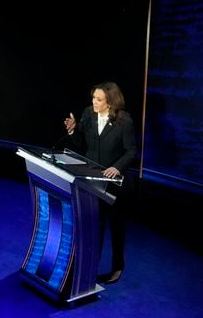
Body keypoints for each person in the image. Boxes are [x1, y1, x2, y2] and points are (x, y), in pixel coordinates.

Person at [62, 81, 137, 285]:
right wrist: (72, 131)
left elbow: (131, 151)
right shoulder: (88, 113)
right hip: (92, 181)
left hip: (115, 185)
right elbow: (80, 144)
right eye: (93, 98)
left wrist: (117, 167)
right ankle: (90, 266)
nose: (94, 102)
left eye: (99, 99)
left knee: (116, 227)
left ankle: (117, 267)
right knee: (95, 225)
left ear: (110, 102)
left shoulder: (124, 121)